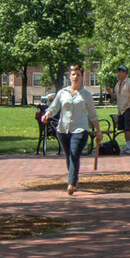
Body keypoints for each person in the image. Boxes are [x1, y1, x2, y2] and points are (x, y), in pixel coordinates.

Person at [48, 63, 100, 194]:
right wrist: (47, 114)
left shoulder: (86, 95)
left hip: (80, 130)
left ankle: (71, 183)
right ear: (69, 76)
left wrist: (98, 131)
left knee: (74, 154)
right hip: (63, 130)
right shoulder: (62, 92)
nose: (75, 77)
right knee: (69, 156)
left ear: (82, 77)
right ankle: (74, 179)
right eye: (73, 74)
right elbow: (54, 108)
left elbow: (93, 114)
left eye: (78, 75)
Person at [111, 67, 130, 149]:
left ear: (125, 73)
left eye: (120, 72)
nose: (118, 74)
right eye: (118, 72)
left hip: (128, 109)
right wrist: (110, 92)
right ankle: (128, 146)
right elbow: (116, 97)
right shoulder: (118, 84)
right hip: (121, 110)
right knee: (125, 129)